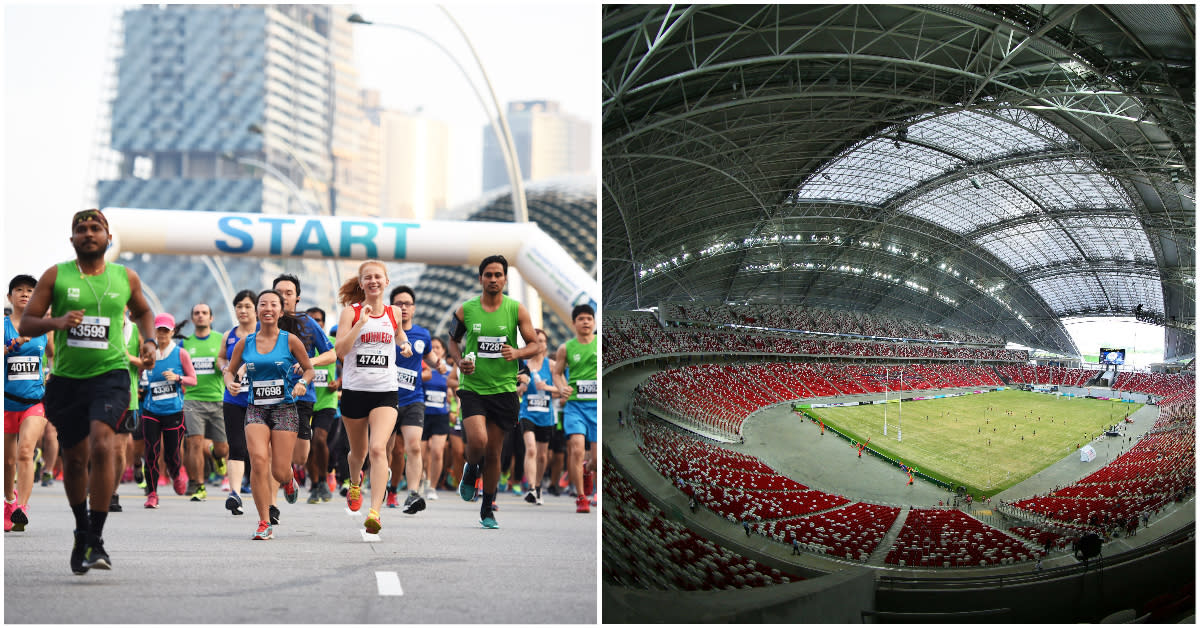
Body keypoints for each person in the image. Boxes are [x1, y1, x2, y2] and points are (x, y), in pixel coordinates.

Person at [19, 209, 158, 574]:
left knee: (102, 444)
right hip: (67, 380)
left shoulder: (124, 276)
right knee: (76, 459)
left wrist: (147, 341)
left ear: (108, 238)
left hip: (110, 374)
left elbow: (144, 311)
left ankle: (95, 536)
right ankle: (82, 531)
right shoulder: (56, 275)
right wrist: (57, 321)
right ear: (72, 240)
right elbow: (29, 322)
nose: (88, 233)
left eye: (95, 228)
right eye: (80, 229)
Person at [445, 255, 541, 529]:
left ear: (505, 279)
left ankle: (487, 509)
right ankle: (470, 470)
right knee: (477, 442)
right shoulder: (466, 310)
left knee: (494, 452)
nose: (493, 279)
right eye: (488, 274)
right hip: (473, 387)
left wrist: (518, 352)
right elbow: (452, 341)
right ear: (480, 279)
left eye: (498, 274)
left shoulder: (516, 310)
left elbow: (534, 344)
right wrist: (458, 361)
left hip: (504, 390)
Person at [223, 289, 315, 540]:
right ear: (257, 311)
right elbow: (229, 371)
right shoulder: (245, 343)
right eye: (262, 304)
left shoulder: (290, 340)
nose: (267, 308)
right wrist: (230, 382)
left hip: (284, 408)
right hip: (256, 409)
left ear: (280, 311)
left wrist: (302, 383)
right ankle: (264, 522)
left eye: (273, 304)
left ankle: (289, 480)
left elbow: (309, 370)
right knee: (258, 460)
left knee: (279, 470)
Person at [333, 261, 412, 534]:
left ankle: (375, 513)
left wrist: (404, 344)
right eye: (368, 278)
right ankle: (355, 484)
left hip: (385, 391)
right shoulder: (350, 313)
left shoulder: (394, 313)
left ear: (386, 281)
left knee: (379, 449)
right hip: (355, 391)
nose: (373, 281)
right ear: (362, 283)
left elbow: (399, 333)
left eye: (378, 277)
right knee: (359, 452)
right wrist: (360, 325)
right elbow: (340, 351)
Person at [271, 274, 336, 511]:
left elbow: (332, 354)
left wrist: (312, 361)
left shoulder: (308, 323)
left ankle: (288, 477)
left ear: (297, 298)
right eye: (279, 292)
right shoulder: (266, 323)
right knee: (269, 454)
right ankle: (268, 512)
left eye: (289, 293)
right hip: (270, 397)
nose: (283, 297)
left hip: (301, 397)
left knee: (299, 457)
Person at [384, 285, 445, 515]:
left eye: (407, 303)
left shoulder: (423, 334)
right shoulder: (385, 331)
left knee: (414, 447)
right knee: (387, 449)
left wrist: (439, 363)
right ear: (392, 308)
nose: (403, 307)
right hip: (387, 398)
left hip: (414, 399)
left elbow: (429, 356)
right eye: (399, 303)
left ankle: (412, 494)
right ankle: (385, 483)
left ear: (414, 308)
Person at [5, 274, 53, 531]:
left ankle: (22, 508)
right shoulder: (3, 326)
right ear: (9, 296)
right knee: (8, 460)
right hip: (5, 401)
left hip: (34, 401)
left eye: (30, 291)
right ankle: (9, 501)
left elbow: (58, 356)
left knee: (25, 452)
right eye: (19, 290)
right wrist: (13, 344)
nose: (24, 294)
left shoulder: (43, 327)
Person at [140, 313, 198, 509]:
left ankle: (175, 473)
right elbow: (141, 376)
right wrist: (142, 385)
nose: (163, 334)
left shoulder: (180, 354)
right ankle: (152, 493)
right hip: (151, 410)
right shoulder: (149, 353)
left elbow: (193, 379)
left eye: (166, 330)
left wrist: (178, 378)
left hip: (173, 411)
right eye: (159, 330)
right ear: (155, 332)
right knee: (151, 452)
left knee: (172, 454)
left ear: (172, 332)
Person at [180, 303, 228, 501]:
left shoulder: (220, 340)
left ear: (211, 318)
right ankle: (198, 484)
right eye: (196, 313)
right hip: (192, 399)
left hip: (218, 399)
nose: (200, 316)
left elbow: (228, 362)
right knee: (193, 443)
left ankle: (216, 456)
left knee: (223, 447)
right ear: (192, 319)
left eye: (204, 313)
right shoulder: (185, 344)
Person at [553, 304, 598, 513]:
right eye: (581, 318)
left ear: (594, 321)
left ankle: (587, 471)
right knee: (578, 449)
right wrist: (562, 388)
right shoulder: (566, 348)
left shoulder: (600, 343)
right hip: (575, 407)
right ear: (574, 323)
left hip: (596, 406)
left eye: (589, 318)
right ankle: (581, 497)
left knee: (596, 460)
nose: (586, 322)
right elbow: (557, 372)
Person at [218, 290, 257, 517]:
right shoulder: (229, 335)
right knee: (236, 445)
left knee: (259, 449)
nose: (243, 310)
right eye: (239, 306)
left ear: (256, 310)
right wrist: (226, 371)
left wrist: (245, 368)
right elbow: (222, 358)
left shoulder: (264, 333)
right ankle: (234, 493)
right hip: (233, 397)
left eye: (247, 306)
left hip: (261, 398)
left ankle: (265, 493)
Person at [303, 306, 339, 504]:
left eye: (318, 319)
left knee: (319, 438)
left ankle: (324, 479)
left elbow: (348, 363)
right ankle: (314, 484)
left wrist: (339, 382)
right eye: (310, 319)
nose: (314, 323)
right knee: (306, 444)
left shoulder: (331, 343)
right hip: (305, 400)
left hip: (327, 401)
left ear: (323, 324)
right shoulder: (298, 343)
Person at [519, 329, 558, 506]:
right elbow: (515, 390)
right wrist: (521, 388)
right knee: (531, 449)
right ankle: (531, 488)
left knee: (542, 456)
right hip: (527, 413)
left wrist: (547, 388)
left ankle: (538, 484)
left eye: (542, 341)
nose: (540, 344)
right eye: (536, 341)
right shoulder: (523, 365)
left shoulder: (552, 366)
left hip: (546, 416)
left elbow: (563, 391)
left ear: (546, 345)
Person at [421, 337, 457, 502]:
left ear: (443, 351)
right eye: (432, 347)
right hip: (422, 414)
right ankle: (421, 479)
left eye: (438, 347)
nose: (435, 350)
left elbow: (457, 392)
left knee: (436, 451)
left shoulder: (449, 371)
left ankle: (432, 487)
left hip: (441, 415)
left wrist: (454, 406)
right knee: (420, 453)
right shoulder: (422, 367)